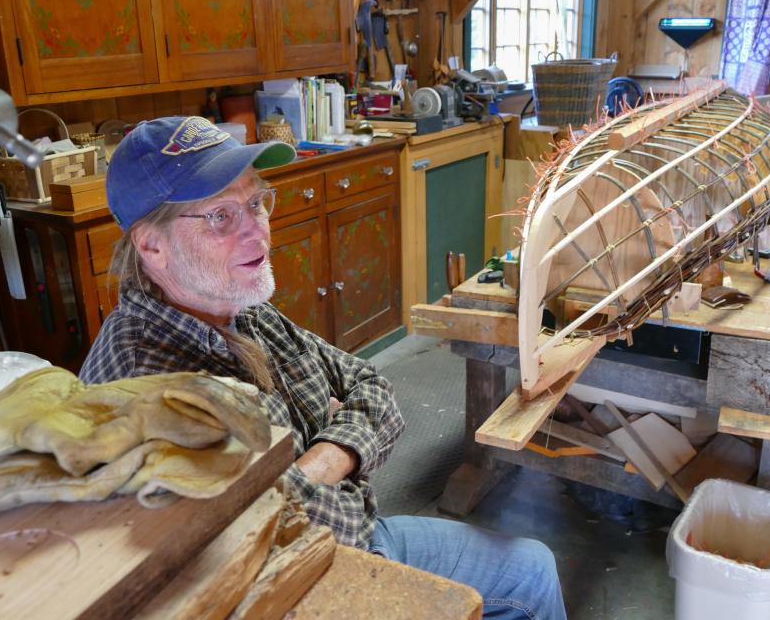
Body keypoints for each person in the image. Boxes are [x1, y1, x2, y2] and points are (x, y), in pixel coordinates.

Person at [80, 116, 566, 620]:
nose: (258, 232)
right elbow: (279, 529)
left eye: (255, 202)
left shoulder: (232, 303)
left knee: (531, 567)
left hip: (355, 536)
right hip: (300, 590)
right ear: (151, 245)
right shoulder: (146, 386)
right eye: (220, 216)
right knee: (523, 579)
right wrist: (336, 437)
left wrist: (321, 460)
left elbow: (372, 386)